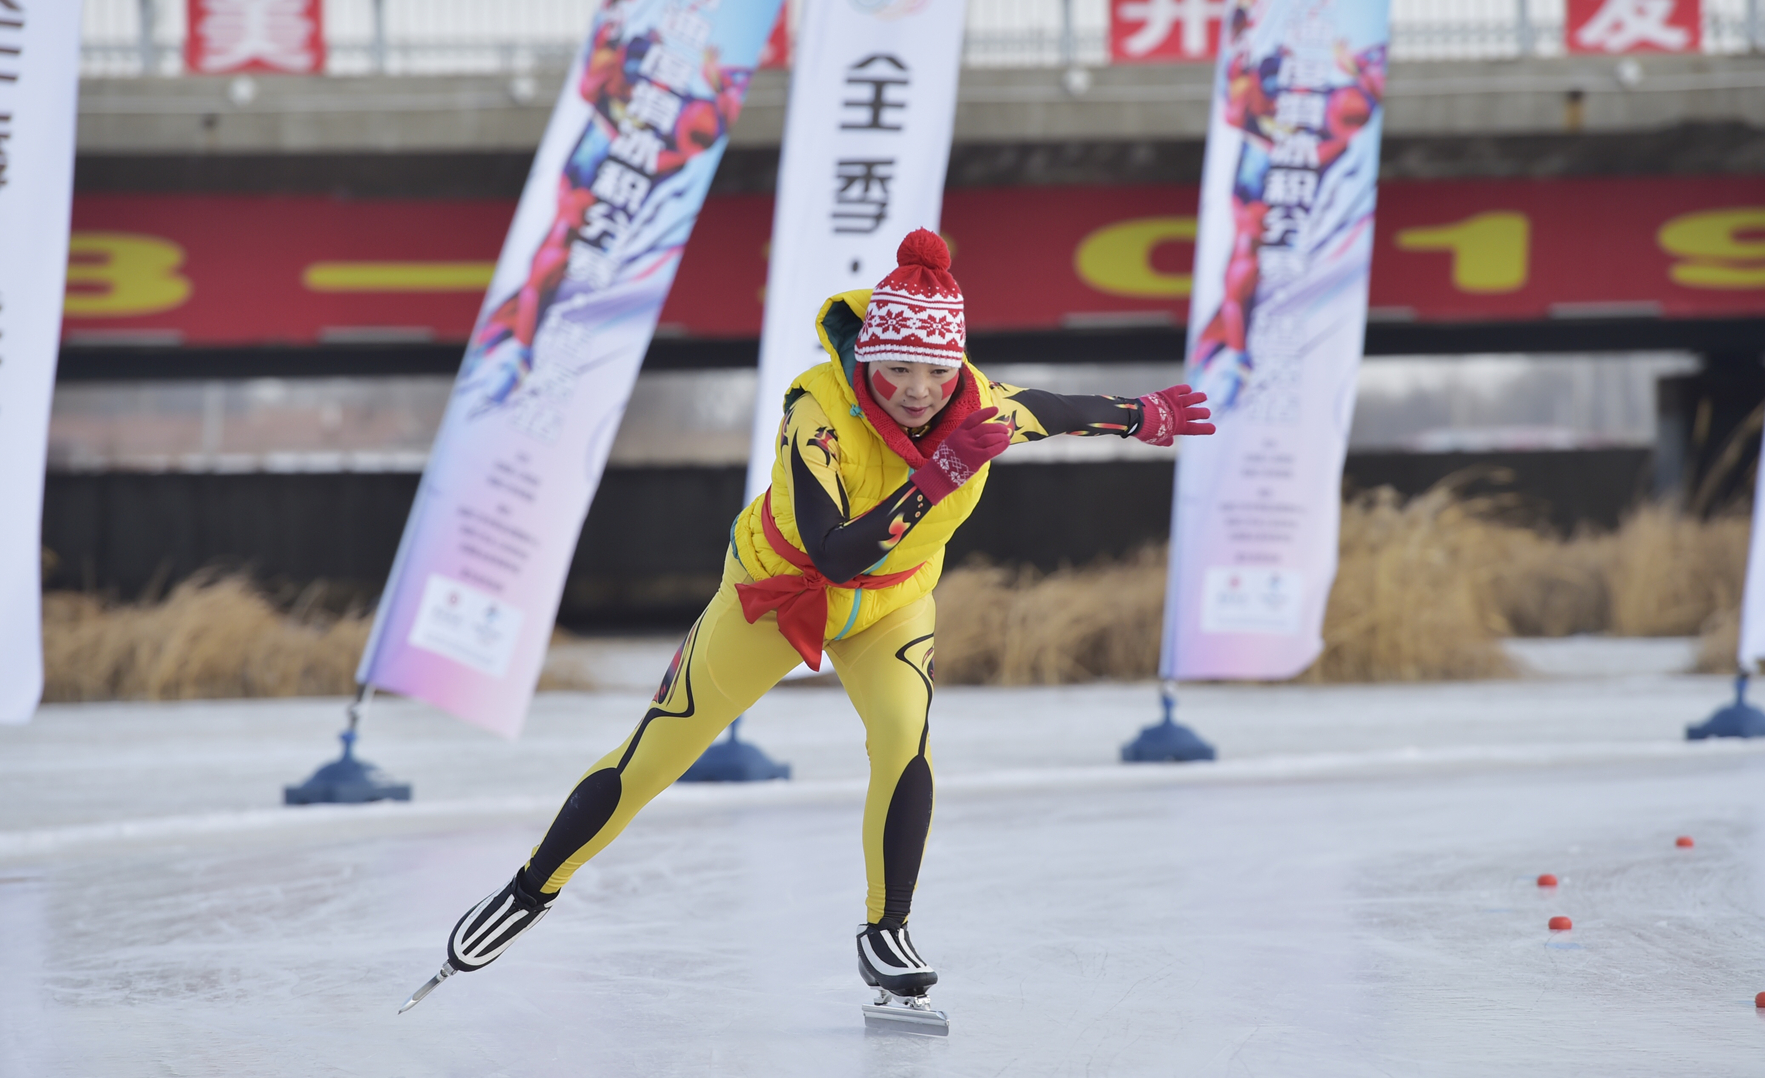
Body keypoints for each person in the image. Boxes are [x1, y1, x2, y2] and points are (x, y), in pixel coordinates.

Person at [426, 229, 1216, 1008]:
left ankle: (888, 928)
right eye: (897, 368)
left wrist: (1142, 415)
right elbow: (835, 553)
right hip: (782, 594)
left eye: (936, 371)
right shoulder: (818, 415)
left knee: (906, 736)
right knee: (655, 758)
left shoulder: (982, 409)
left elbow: (1055, 407)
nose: (917, 390)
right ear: (867, 359)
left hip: (893, 603)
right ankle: (531, 887)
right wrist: (934, 480)